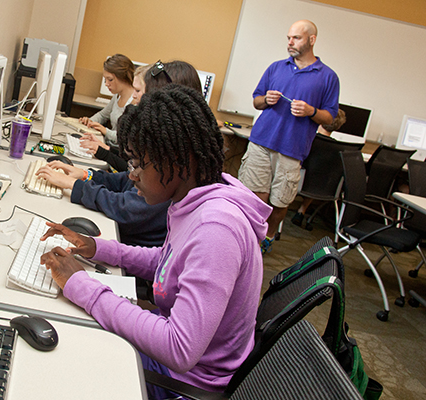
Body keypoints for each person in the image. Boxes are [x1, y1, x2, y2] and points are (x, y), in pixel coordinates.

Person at [39, 85, 271, 397]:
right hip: (174, 361)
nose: (131, 175)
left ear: (178, 160)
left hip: (184, 383)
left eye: (137, 163)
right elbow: (169, 260)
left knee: (63, 357)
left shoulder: (218, 228)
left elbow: (179, 348)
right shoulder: (196, 196)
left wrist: (82, 284)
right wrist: (99, 248)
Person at [37, 60, 204, 248]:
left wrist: (76, 186)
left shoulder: (173, 167)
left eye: (140, 92)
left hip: (134, 252)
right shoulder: (164, 152)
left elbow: (129, 209)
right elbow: (127, 179)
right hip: (131, 251)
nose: (134, 98)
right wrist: (86, 175)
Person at [238, 19, 340, 254]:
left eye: (297, 38)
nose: (290, 43)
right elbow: (256, 100)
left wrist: (310, 111)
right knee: (256, 197)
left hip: (292, 150)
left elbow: (330, 117)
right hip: (261, 142)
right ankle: (247, 240)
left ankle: (268, 237)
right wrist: (266, 100)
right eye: (288, 38)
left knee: (279, 203)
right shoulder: (276, 67)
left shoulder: (327, 77)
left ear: (312, 40)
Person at [291, 108, 347, 227]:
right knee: (318, 176)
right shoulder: (340, 148)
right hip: (323, 188)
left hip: (298, 182)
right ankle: (301, 211)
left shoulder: (308, 140)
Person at [79, 54, 135, 147]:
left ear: (123, 77)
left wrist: (105, 131)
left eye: (110, 80)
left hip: (119, 152)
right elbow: (102, 115)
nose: (106, 84)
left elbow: (127, 137)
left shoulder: (135, 102)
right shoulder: (117, 96)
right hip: (109, 145)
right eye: (105, 80)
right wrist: (90, 122)